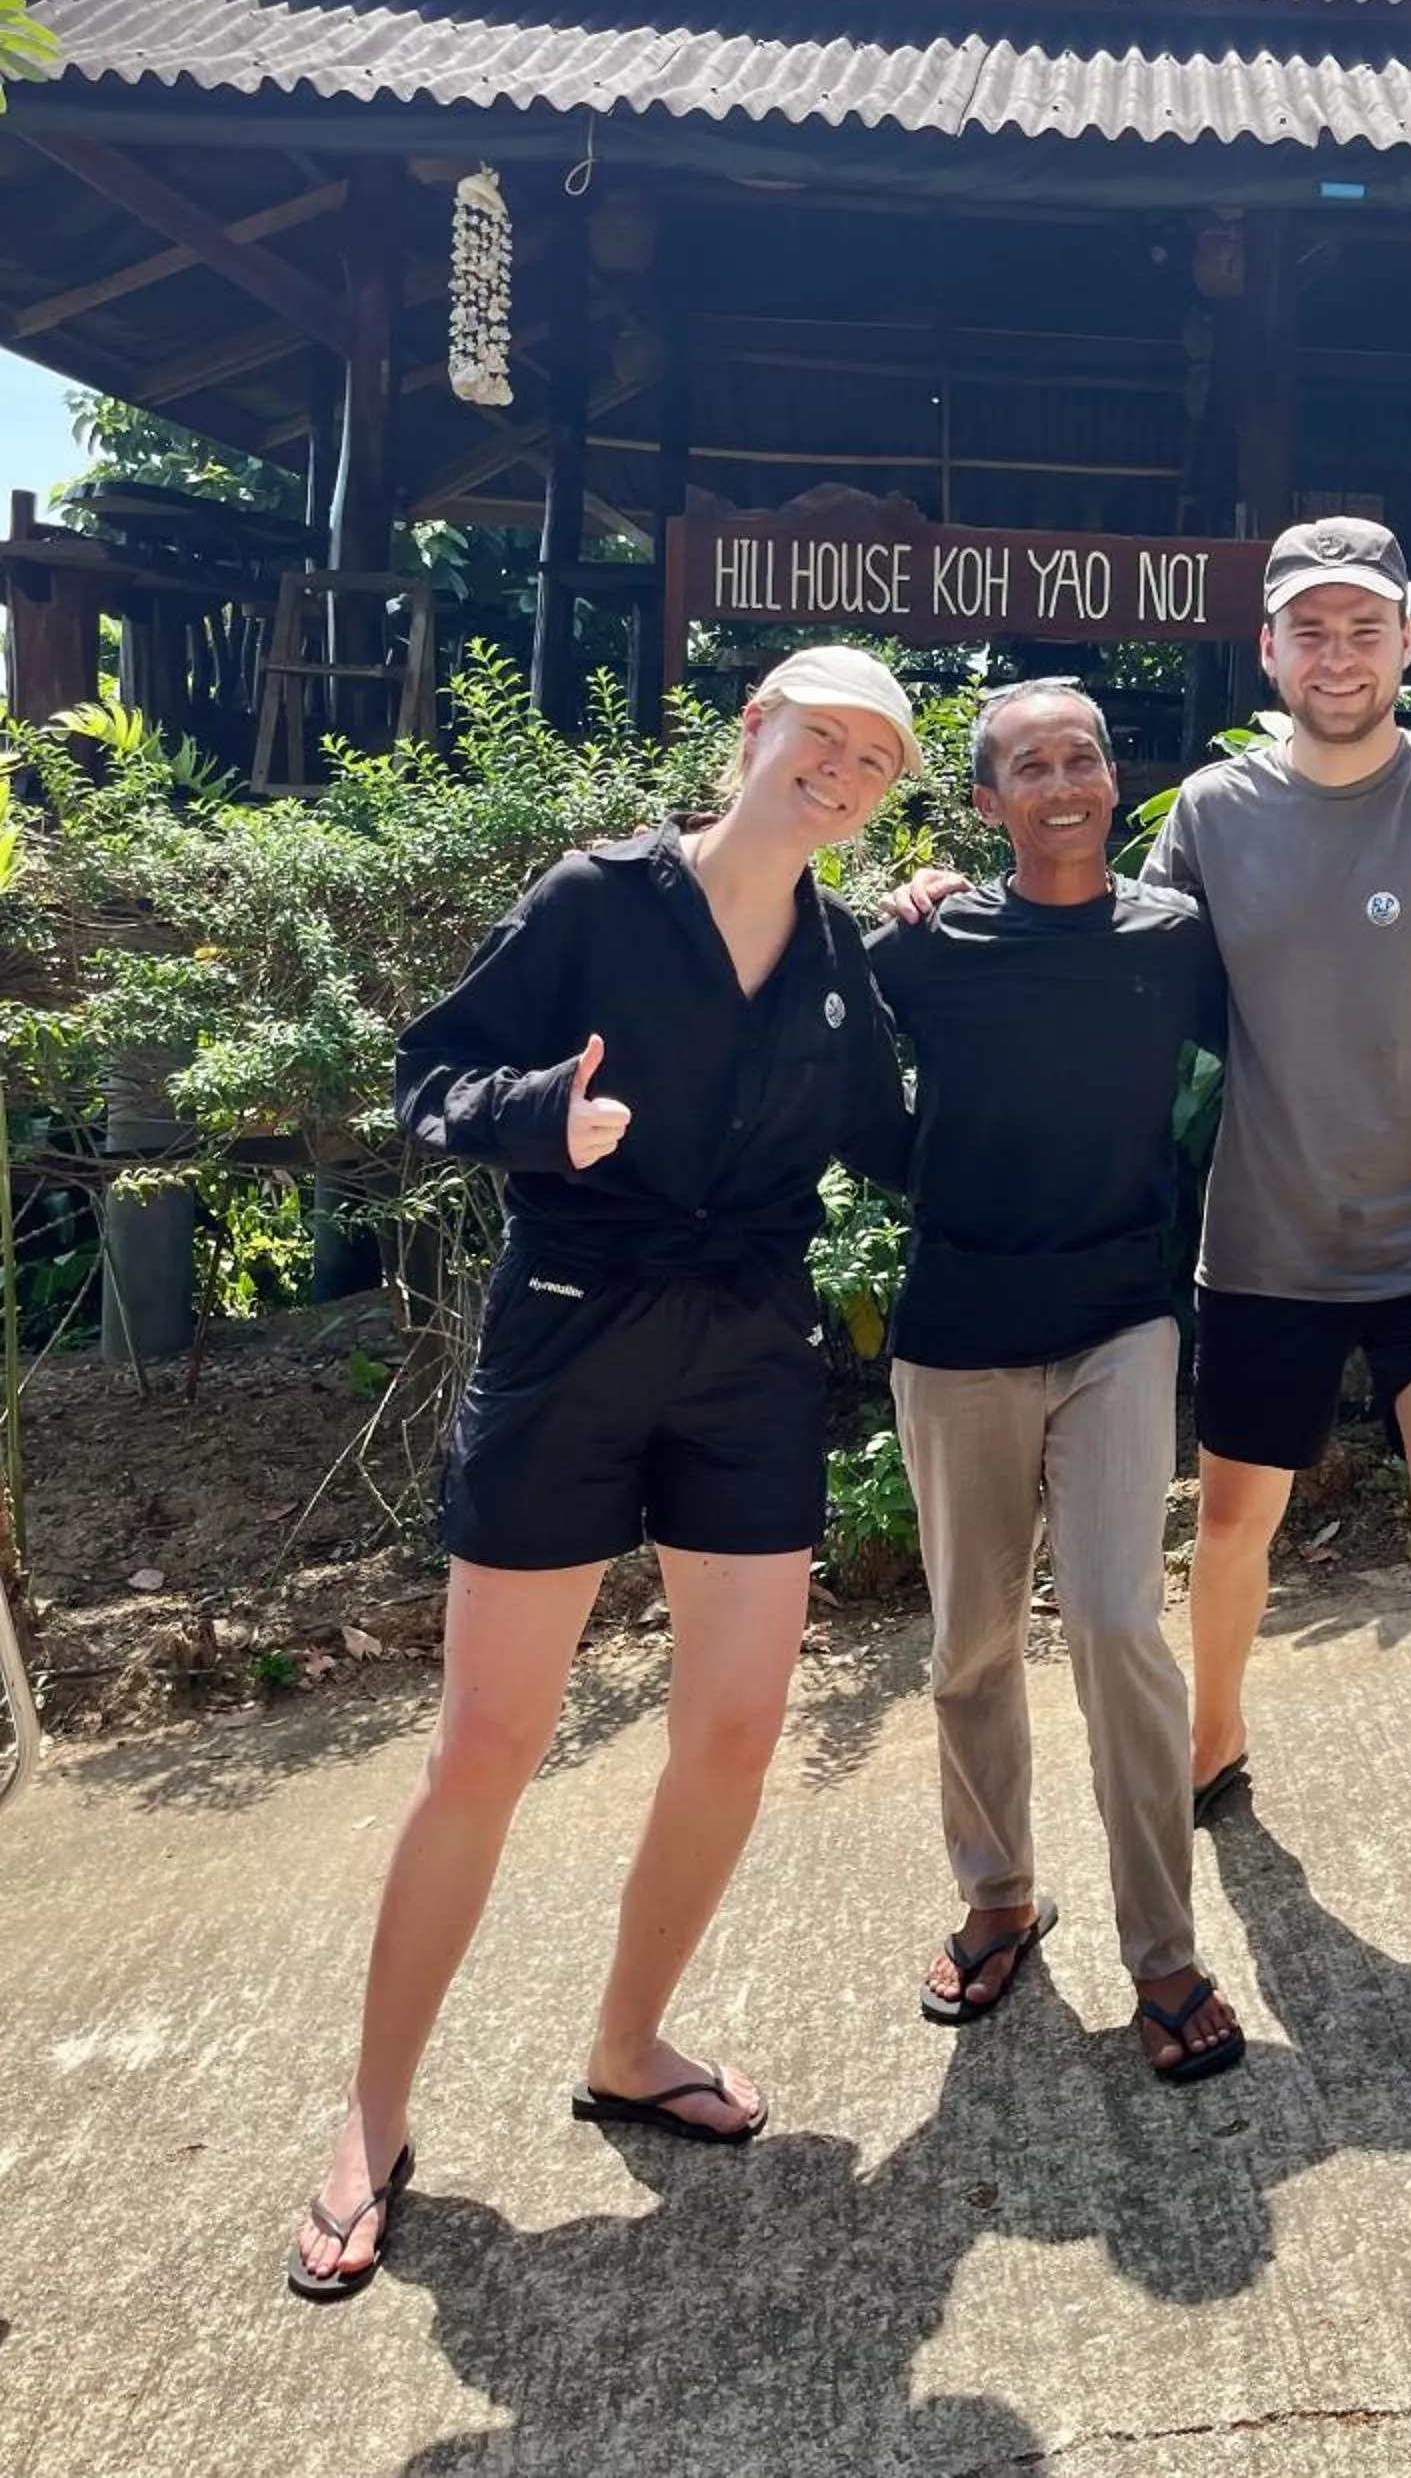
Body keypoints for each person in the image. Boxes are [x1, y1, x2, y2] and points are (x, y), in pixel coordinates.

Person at [289, 646, 917, 2300]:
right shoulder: (595, 900)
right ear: (752, 732)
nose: (843, 773)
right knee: (486, 1745)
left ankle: (630, 2047)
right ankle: (371, 2117)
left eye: (876, 762)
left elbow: (893, 1143)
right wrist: (534, 1118)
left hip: (748, 1355)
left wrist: (967, 971)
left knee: (737, 1727)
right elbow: (426, 1080)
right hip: (570, 1336)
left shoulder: (839, 956)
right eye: (823, 738)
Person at [1147, 517, 1411, 2100]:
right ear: (1266, 650)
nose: (1336, 655)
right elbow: (1125, 976)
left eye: (1363, 628)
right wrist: (954, 911)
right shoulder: (1208, 815)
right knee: (1232, 1527)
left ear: (1406, 643)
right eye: (1308, 630)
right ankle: (1212, 1732)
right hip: (1264, 1234)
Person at [866, 682, 1245, 2086]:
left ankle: (1163, 1949)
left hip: (1116, 1320)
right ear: (987, 803)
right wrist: (916, 1168)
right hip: (958, 1326)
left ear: (1112, 780)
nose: (1064, 782)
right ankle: (998, 1897)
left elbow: (1284, 1050)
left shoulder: (1172, 937)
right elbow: (820, 1040)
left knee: (1115, 1621)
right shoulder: (934, 942)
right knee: (969, 1640)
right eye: (1030, 766)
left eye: (1082, 757)